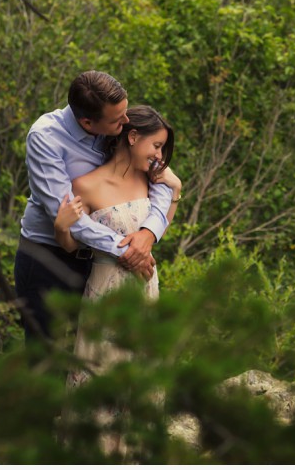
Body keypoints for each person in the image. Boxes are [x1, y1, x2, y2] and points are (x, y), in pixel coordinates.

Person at [52, 106, 181, 458]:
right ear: (133, 137)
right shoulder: (86, 185)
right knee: (99, 375)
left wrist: (175, 187)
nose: (159, 156)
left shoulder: (151, 181)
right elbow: (72, 245)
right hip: (106, 290)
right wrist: (62, 225)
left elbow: (158, 232)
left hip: (146, 289)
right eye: (156, 146)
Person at [14, 70, 179, 342]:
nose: (126, 121)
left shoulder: (116, 120)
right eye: (118, 119)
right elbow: (69, 217)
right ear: (88, 122)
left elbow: (159, 176)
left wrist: (147, 234)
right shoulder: (46, 138)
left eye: (125, 113)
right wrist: (129, 250)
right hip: (50, 255)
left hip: (99, 260)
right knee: (45, 353)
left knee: (94, 348)